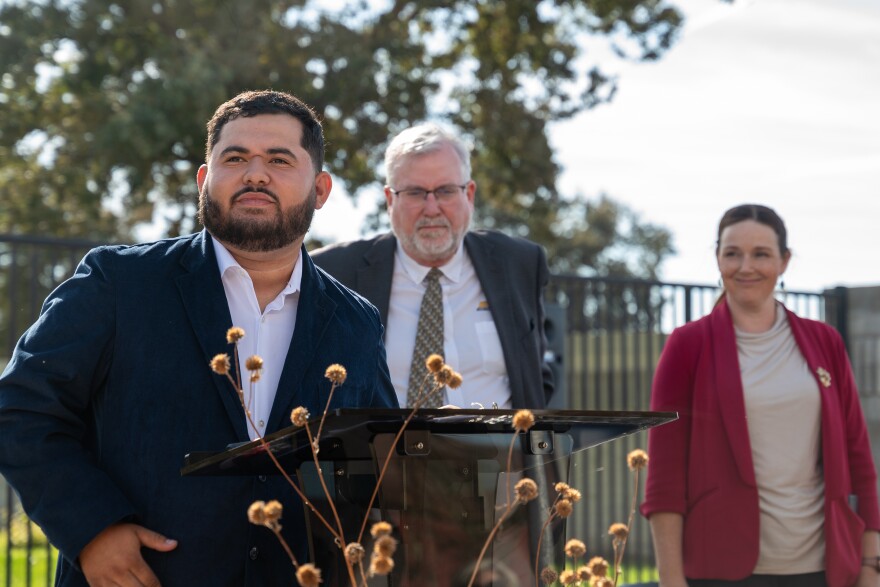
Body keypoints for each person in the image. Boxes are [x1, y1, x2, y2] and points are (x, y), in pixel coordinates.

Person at [0, 90, 398, 587]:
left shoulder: (357, 322)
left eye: (279, 160)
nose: (256, 174)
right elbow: (20, 409)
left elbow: (381, 462)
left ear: (320, 190)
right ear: (204, 180)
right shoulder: (119, 284)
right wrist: (93, 531)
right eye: (235, 158)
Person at [641, 204, 880, 587]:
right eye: (732, 253)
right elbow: (665, 478)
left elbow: (859, 460)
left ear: (784, 261)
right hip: (721, 571)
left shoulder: (825, 342)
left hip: (822, 569)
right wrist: (671, 579)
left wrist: (871, 564)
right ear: (717, 258)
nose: (746, 266)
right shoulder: (687, 345)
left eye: (761, 254)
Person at [312, 123, 553, 409]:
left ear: (469, 195)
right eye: (415, 193)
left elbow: (535, 376)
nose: (431, 208)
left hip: (498, 440)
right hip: (387, 441)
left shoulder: (519, 263)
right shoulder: (332, 272)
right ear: (390, 200)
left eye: (446, 191)